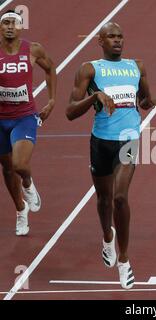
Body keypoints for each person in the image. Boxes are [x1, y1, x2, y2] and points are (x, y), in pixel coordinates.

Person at [66, 22, 156, 289]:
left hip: (128, 140)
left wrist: (152, 101)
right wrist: (95, 97)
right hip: (101, 141)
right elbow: (70, 112)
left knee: (120, 197)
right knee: (103, 201)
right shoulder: (89, 69)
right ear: (100, 41)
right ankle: (107, 236)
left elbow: (143, 102)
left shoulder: (137, 67)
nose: (117, 40)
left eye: (120, 36)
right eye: (111, 36)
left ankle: (124, 260)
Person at [0, 10, 57, 236]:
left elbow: (51, 69)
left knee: (19, 165)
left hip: (24, 117)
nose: (10, 26)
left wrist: (51, 100)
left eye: (14, 22)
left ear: (21, 27)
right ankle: (20, 210)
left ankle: (28, 182)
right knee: (6, 169)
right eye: (5, 23)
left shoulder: (32, 49)